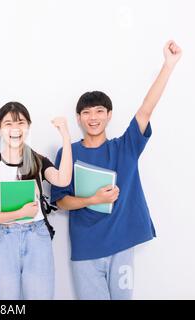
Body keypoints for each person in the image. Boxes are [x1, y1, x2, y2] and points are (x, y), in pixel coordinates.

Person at [51, 41, 182, 299]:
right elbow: (61, 201)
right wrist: (93, 199)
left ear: (109, 115)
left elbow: (146, 108)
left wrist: (168, 65)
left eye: (99, 111)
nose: (93, 117)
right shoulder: (68, 153)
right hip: (85, 250)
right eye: (86, 112)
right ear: (79, 118)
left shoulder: (126, 147)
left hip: (121, 246)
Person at [0, 102, 72, 299]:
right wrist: (20, 213)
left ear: (28, 126)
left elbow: (63, 179)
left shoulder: (38, 161)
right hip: (2, 239)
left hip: (37, 238)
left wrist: (66, 137)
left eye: (21, 123)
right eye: (8, 123)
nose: (15, 129)